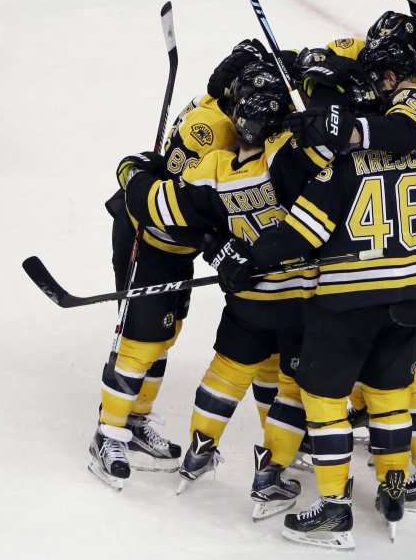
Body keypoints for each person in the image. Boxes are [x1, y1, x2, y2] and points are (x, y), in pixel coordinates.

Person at [219, 85, 416, 549]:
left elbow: (299, 237)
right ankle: (395, 489)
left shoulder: (339, 171)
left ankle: (333, 510)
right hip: (409, 303)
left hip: (349, 306)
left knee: (324, 399)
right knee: (390, 394)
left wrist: (246, 259)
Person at [119, 63, 332, 519]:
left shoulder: (213, 168)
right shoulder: (283, 155)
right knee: (291, 386)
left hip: (246, 305)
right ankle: (271, 473)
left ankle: (199, 452)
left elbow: (166, 209)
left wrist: (135, 177)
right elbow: (327, 163)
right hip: (297, 300)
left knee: (225, 374)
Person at [88, 40, 263, 489]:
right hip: (151, 237)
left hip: (174, 245)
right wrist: (214, 240)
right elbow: (176, 200)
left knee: (164, 334)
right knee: (138, 339)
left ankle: (136, 418)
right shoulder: (213, 128)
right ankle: (107, 433)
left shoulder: (218, 107)